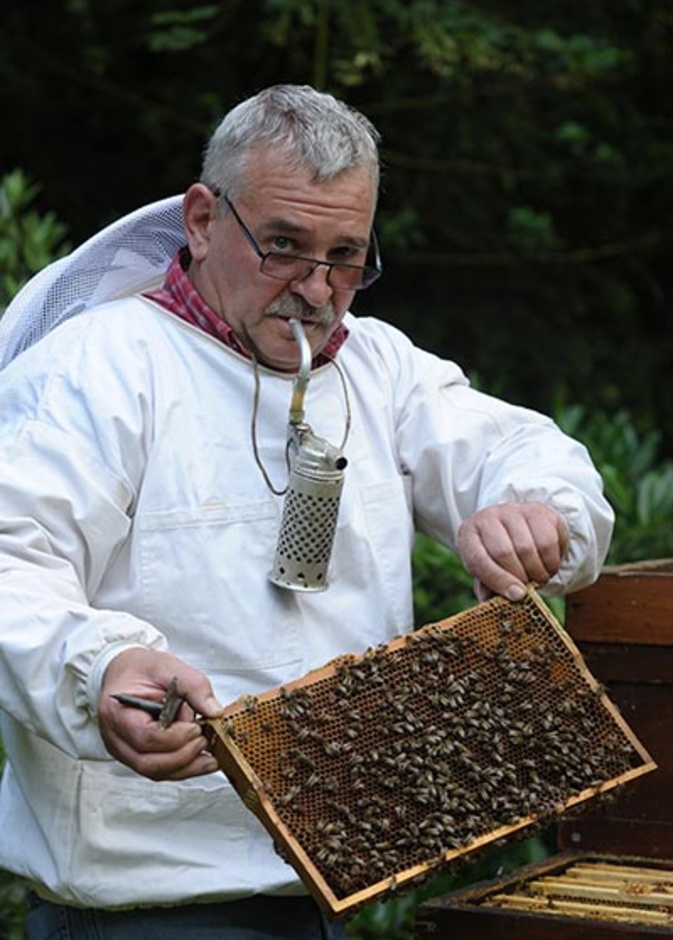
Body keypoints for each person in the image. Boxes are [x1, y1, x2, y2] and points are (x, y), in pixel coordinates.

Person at [0, 84, 613, 940]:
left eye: (345, 256)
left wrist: (536, 512)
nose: (317, 289)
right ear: (205, 219)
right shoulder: (93, 371)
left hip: (332, 887)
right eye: (283, 247)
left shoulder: (381, 368)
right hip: (148, 903)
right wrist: (96, 671)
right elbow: (10, 565)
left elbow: (523, 452)